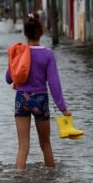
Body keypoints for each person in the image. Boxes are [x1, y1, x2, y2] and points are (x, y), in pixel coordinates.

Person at [5, 12, 72, 171]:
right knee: (45, 144)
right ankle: (50, 177)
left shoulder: (19, 52)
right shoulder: (48, 54)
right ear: (41, 32)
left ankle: (19, 177)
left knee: (23, 146)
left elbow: (9, 78)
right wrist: (63, 108)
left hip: (21, 99)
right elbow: (54, 84)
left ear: (25, 33)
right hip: (40, 100)